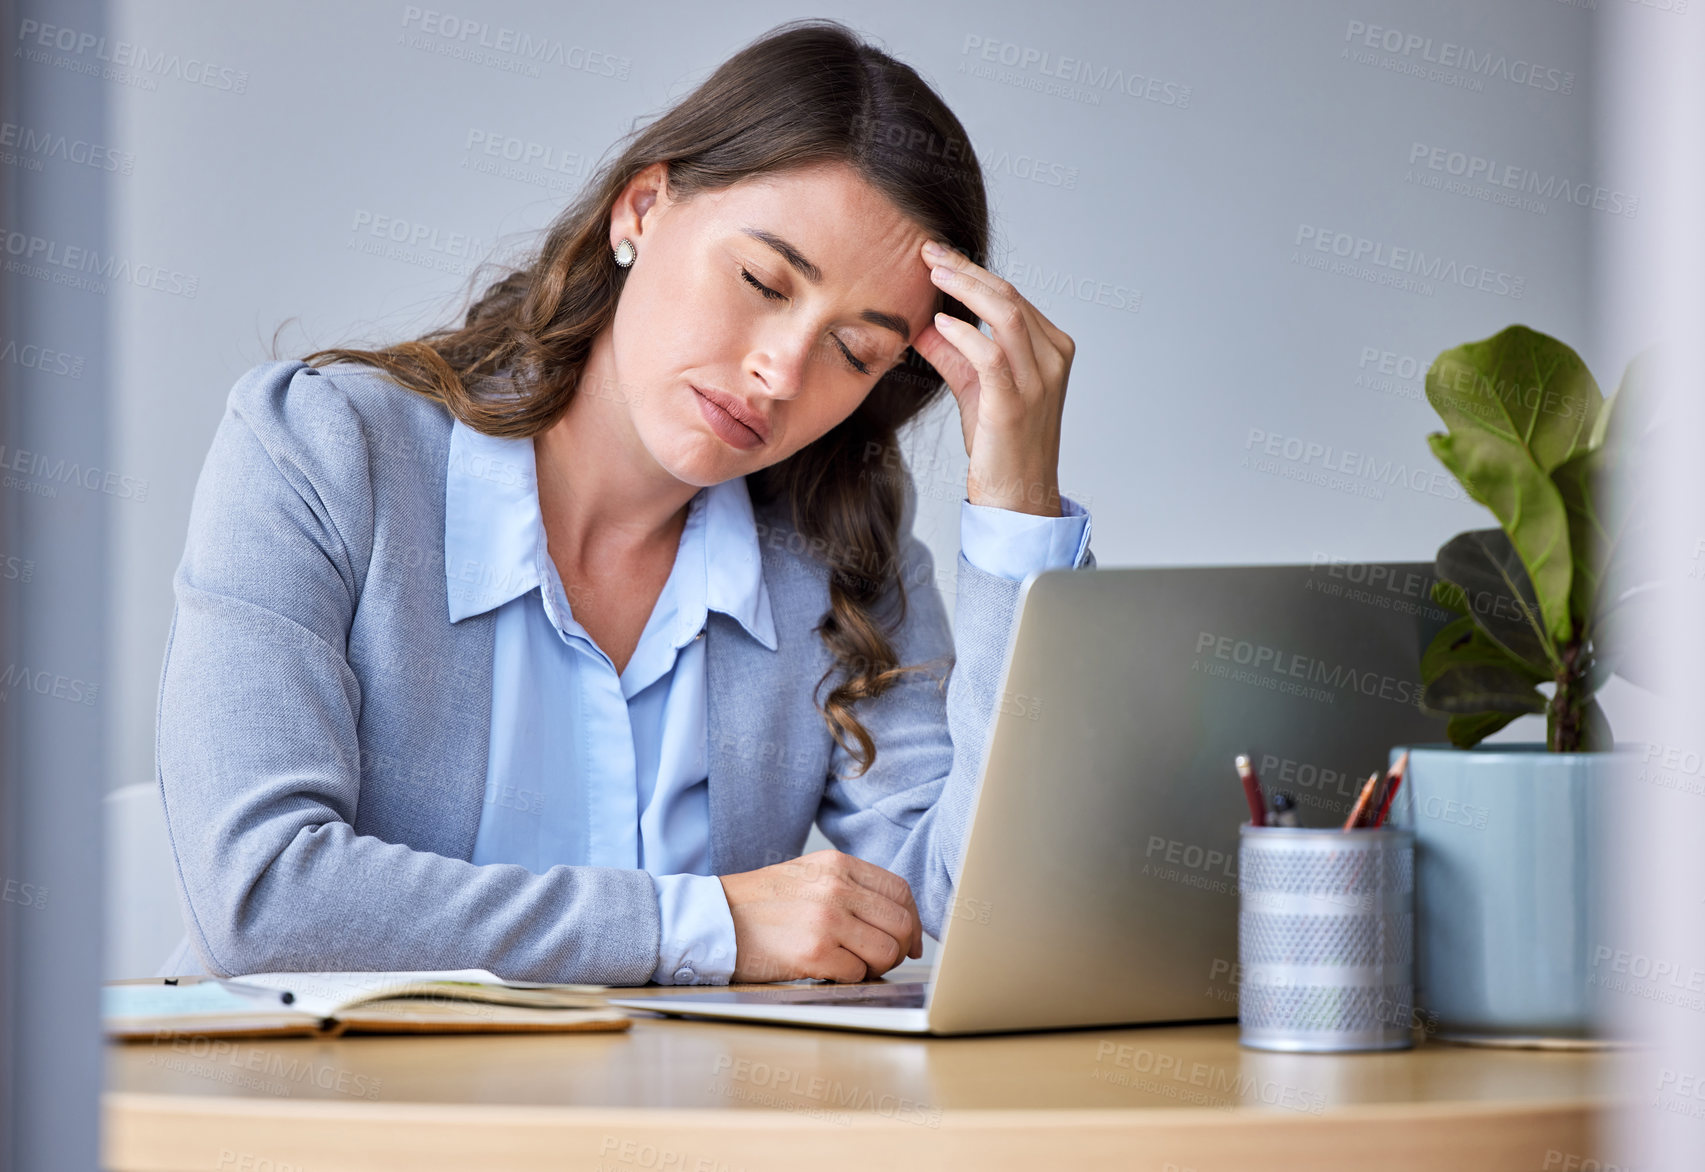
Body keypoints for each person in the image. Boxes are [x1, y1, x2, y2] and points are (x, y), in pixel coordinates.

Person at [154, 18, 1094, 987]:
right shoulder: (320, 455)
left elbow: (989, 905)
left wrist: (1018, 512)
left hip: (657, 1131)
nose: (778, 371)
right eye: (762, 280)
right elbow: (261, 896)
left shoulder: (841, 556)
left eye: (854, 351)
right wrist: (707, 923)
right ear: (641, 208)